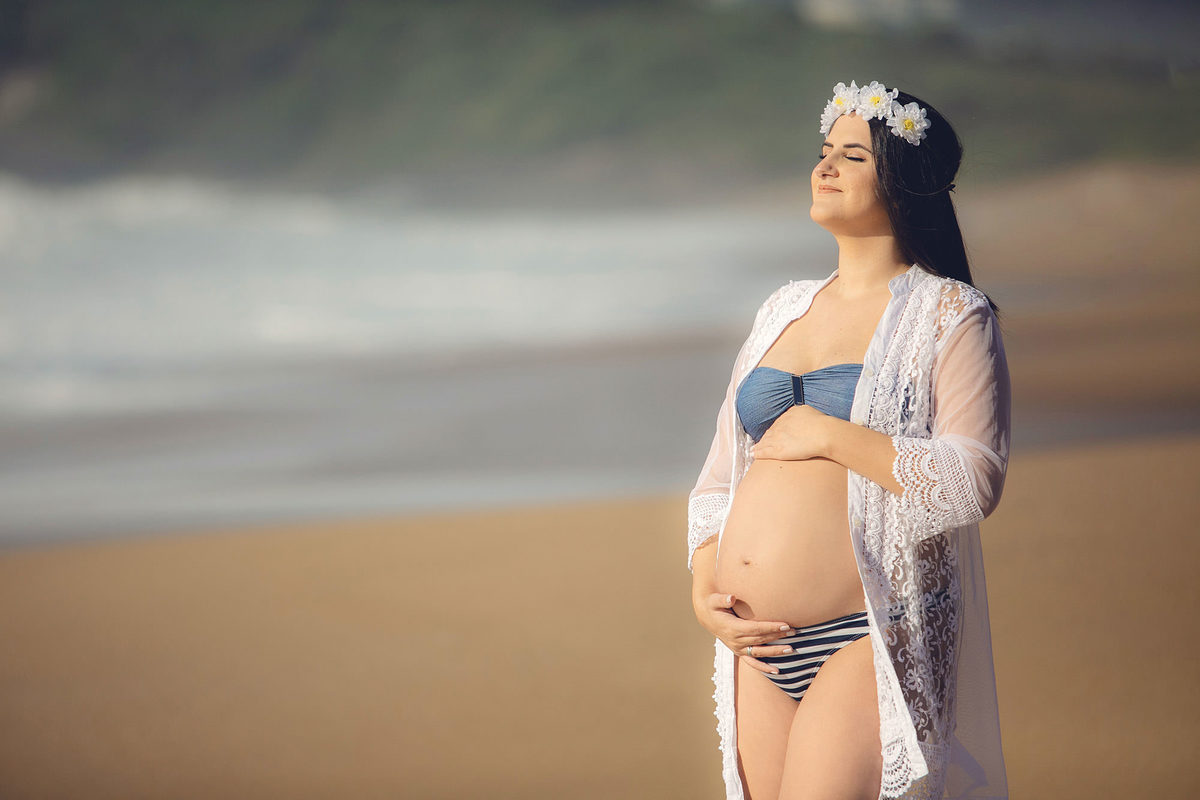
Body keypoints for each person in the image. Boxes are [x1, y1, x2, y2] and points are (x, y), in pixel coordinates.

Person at [686, 81, 1012, 800]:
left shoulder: (951, 312)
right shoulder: (782, 309)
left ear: (901, 177)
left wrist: (829, 435)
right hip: (754, 645)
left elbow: (972, 479)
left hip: (873, 635)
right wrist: (704, 586)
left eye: (852, 155)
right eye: (824, 151)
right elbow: (717, 482)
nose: (825, 166)